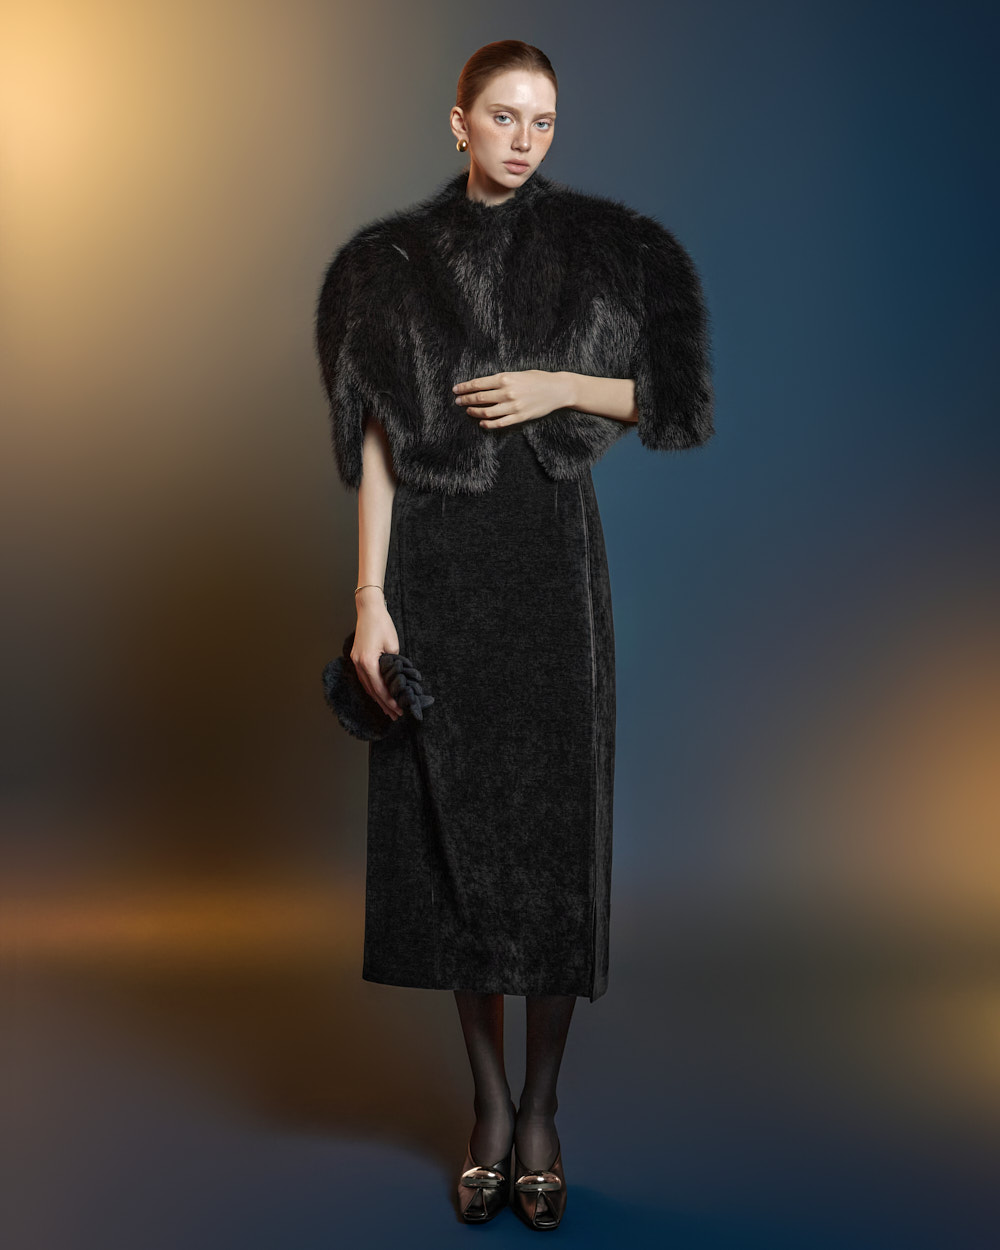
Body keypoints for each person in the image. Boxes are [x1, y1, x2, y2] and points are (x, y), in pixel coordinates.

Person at [314, 39, 714, 1230]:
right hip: (437, 573)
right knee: (461, 844)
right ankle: (487, 1105)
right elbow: (377, 440)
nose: (525, 138)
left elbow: (676, 403)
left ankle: (541, 1107)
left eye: (542, 119)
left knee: (550, 844)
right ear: (459, 122)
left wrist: (560, 386)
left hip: (550, 573)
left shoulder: (608, 248)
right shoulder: (389, 263)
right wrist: (369, 598)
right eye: (503, 116)